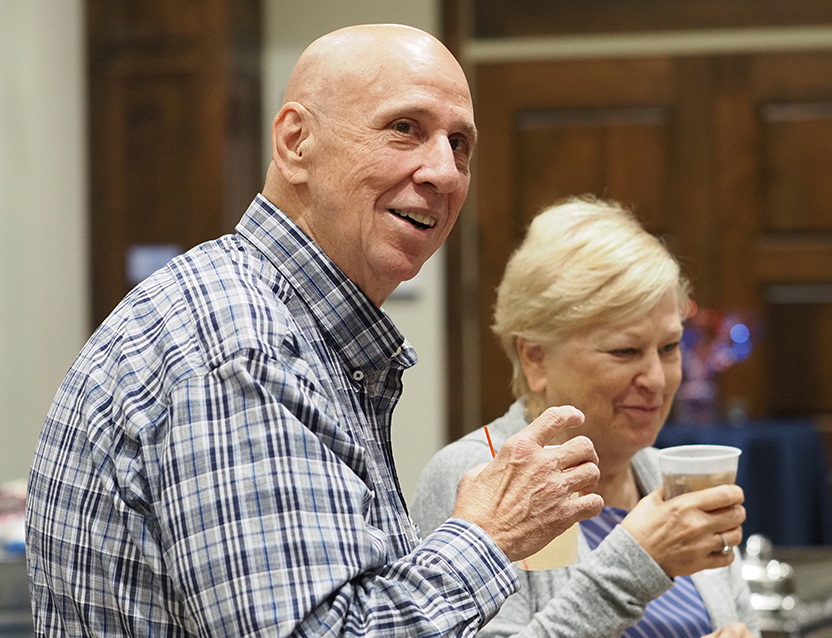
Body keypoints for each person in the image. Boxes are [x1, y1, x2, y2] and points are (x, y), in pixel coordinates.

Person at [25, 24, 604, 638]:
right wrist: (487, 536)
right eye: (404, 128)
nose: (445, 171)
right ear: (296, 142)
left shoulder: (281, 322)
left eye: (459, 143)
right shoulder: (245, 347)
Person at [411, 196, 760, 638]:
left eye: (669, 348)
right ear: (535, 358)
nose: (656, 378)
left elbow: (744, 622)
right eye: (625, 351)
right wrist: (638, 562)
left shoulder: (662, 473)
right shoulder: (479, 476)